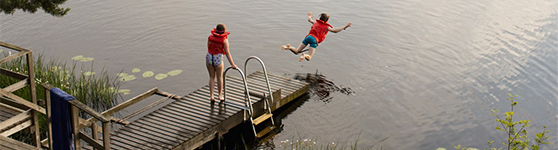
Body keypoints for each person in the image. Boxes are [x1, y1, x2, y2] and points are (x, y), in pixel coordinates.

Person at [282, 12, 352, 61]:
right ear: (327, 20)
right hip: (314, 40)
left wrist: (310, 15)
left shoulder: (316, 22)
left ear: (320, 18)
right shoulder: (326, 27)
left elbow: (309, 20)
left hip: (308, 37)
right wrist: (345, 26)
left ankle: (289, 47)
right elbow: (335, 30)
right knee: (309, 57)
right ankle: (305, 55)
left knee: (297, 51)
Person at [206, 23, 237, 101]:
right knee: (219, 77)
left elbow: (208, 47)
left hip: (209, 57)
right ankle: (220, 95)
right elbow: (227, 53)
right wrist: (232, 64)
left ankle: (212, 96)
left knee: (212, 77)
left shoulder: (210, 37)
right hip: (217, 58)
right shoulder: (224, 40)